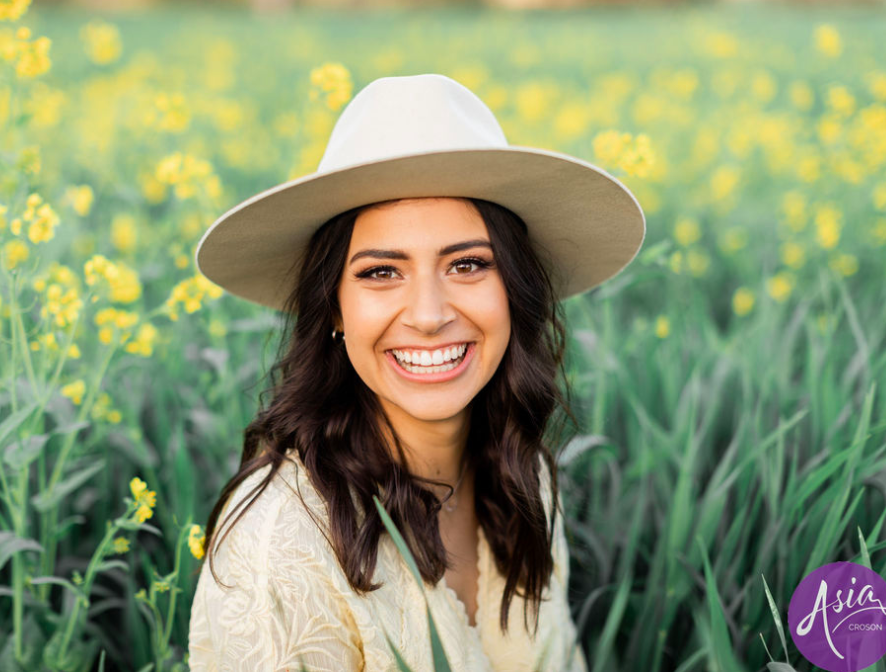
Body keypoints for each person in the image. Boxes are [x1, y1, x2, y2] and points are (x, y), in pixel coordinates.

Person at [187, 73, 645, 671]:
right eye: (381, 272)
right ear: (334, 308)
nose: (429, 316)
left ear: (516, 290)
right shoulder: (280, 545)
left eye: (468, 264)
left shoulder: (525, 473)